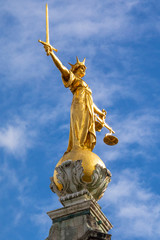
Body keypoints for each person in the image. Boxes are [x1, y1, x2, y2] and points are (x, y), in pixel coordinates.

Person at [44, 45, 106, 153]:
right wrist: (52, 54)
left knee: (86, 128)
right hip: (79, 104)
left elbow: (90, 102)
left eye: (84, 68)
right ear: (76, 69)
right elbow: (61, 68)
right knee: (79, 127)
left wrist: (100, 113)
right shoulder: (73, 78)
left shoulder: (85, 85)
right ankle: (78, 147)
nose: (84, 69)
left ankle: (83, 148)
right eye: (82, 67)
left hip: (87, 107)